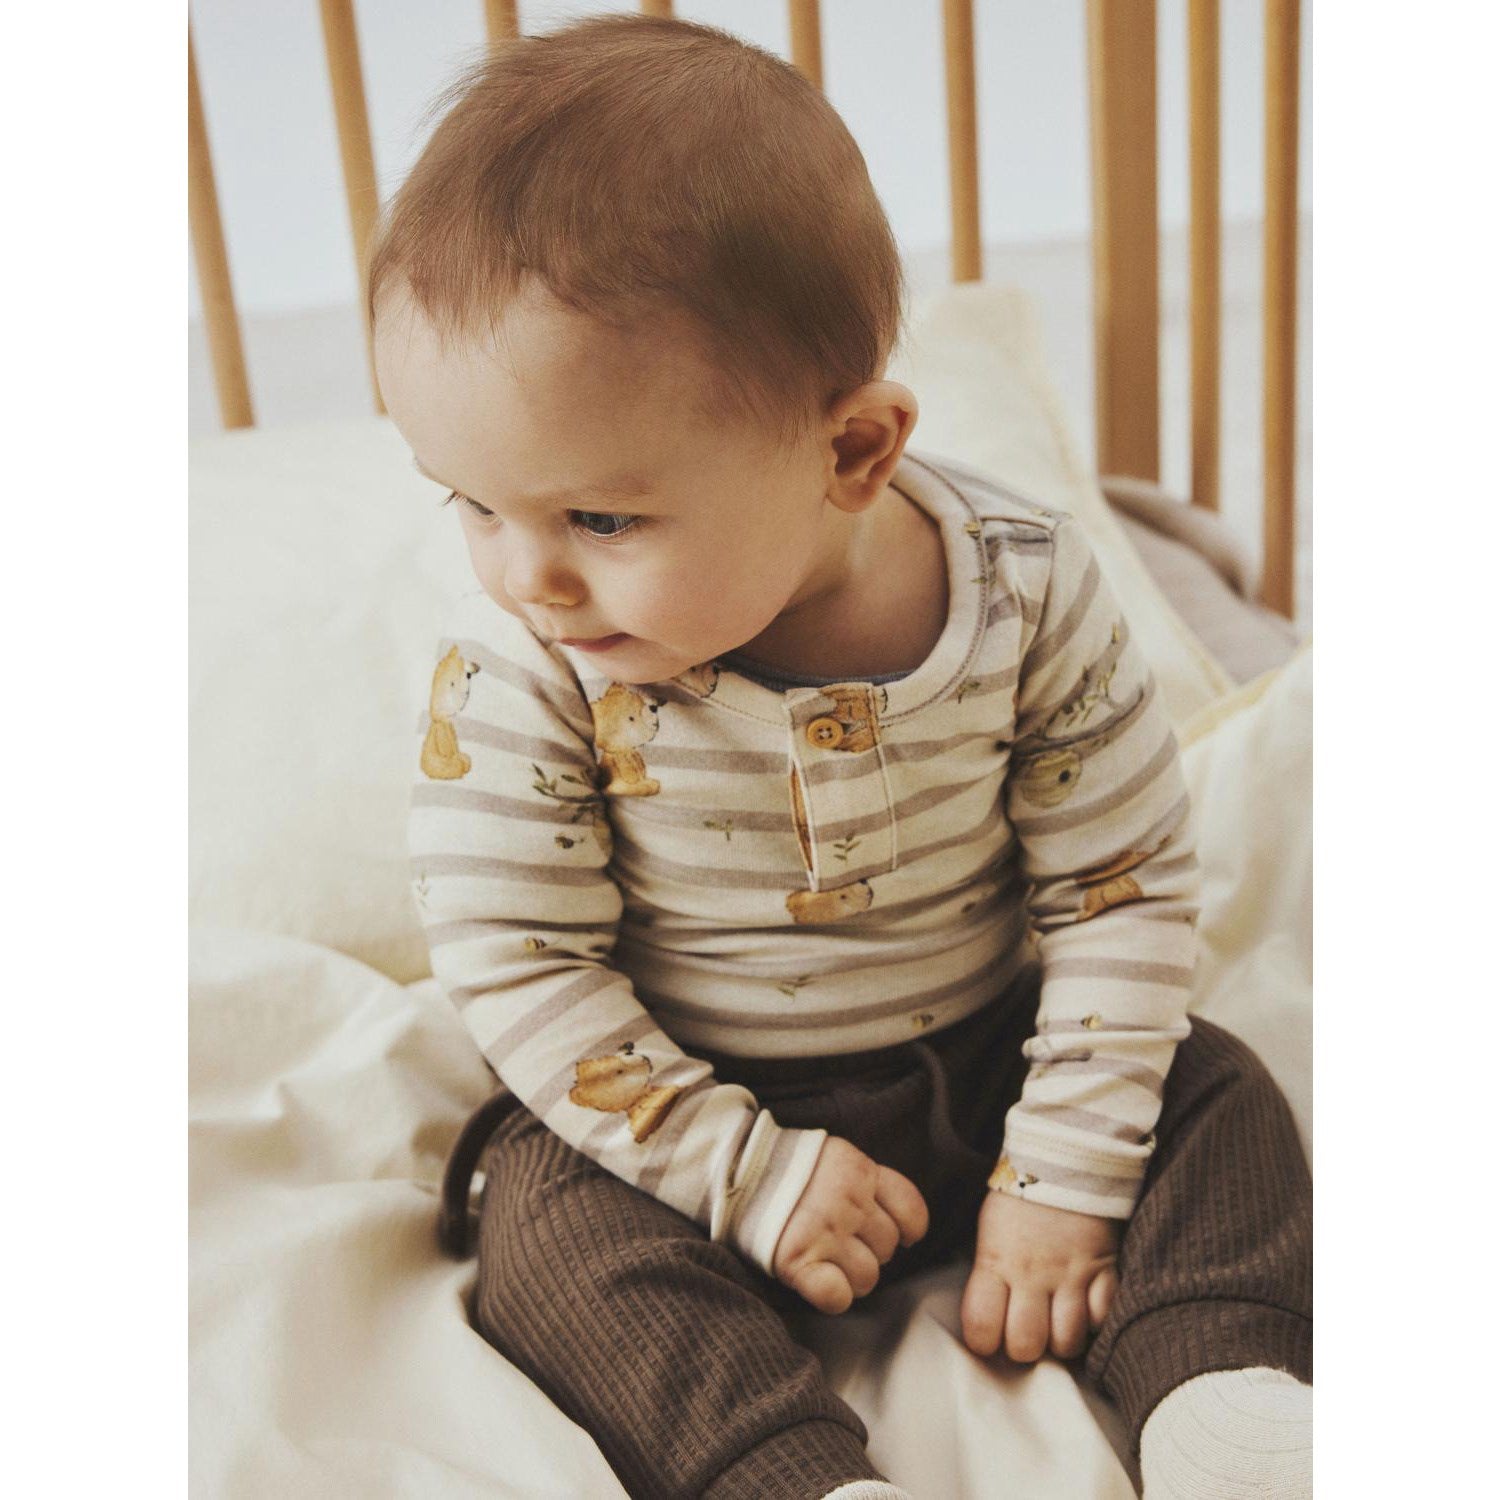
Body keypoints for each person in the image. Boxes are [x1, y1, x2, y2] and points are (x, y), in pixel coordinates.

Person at [371, 14, 1312, 1500]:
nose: (524, 576)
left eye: (600, 520)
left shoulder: (1023, 587)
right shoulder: (527, 669)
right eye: (471, 505)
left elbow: (1119, 887)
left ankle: (1218, 1398)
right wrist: (744, 1172)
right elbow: (522, 967)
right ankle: (795, 1475)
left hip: (993, 1060)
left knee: (1217, 1093)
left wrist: (1063, 1174)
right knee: (542, 1225)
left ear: (853, 452)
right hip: (683, 1100)